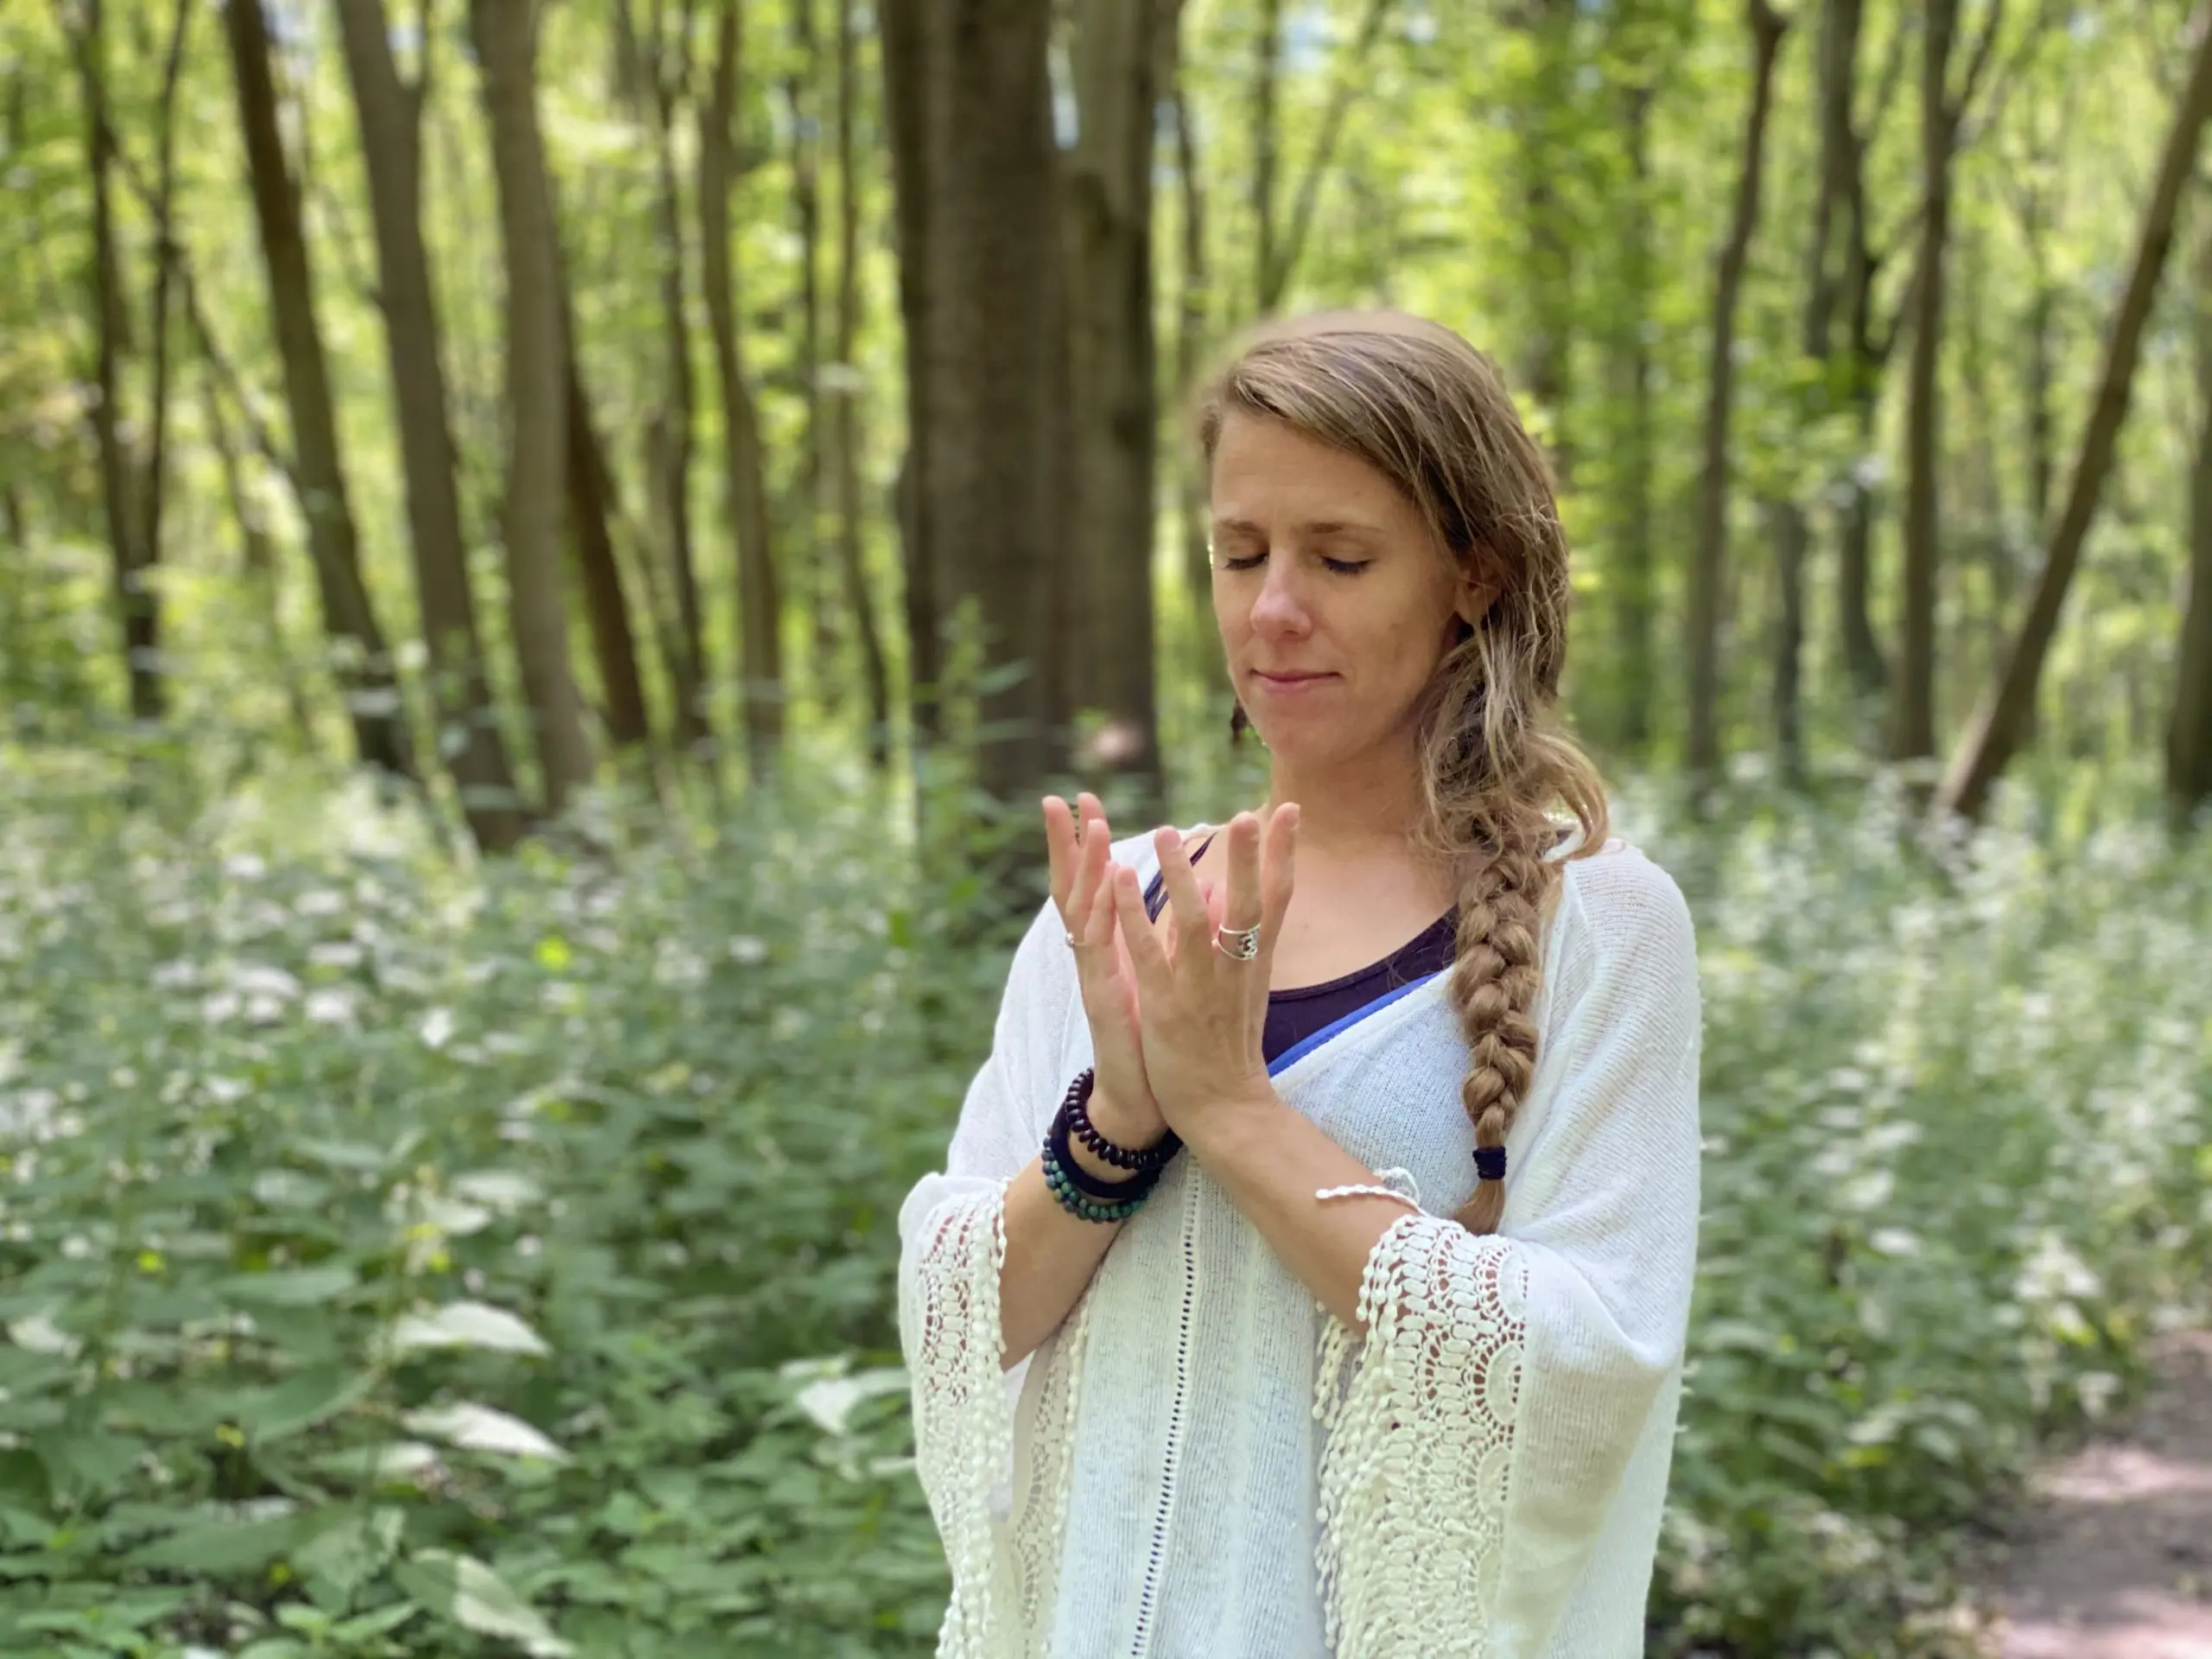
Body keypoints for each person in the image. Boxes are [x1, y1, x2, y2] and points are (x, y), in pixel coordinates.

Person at [896, 310, 1702, 1658]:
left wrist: (1236, 1111)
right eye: (1238, 554)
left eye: (1340, 557)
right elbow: (962, 1319)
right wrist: (1119, 1125)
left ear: (1475, 576)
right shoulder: (1114, 907)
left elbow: (1585, 1361)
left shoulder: (1599, 926)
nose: (1274, 609)